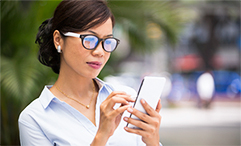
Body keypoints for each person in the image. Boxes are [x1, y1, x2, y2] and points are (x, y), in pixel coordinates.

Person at [18, 0, 163, 146]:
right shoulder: (34, 118)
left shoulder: (126, 100)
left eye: (107, 41)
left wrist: (153, 140)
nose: (100, 52)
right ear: (58, 40)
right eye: (89, 39)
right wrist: (101, 136)